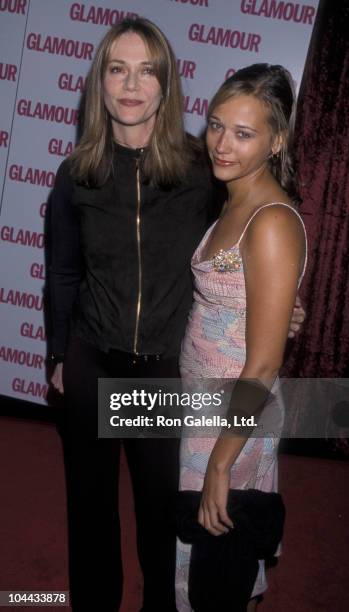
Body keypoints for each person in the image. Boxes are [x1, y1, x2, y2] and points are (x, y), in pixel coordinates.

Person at [49, 16, 304, 611]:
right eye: (118, 69)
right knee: (88, 509)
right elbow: (62, 272)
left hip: (165, 372)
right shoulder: (75, 175)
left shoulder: (203, 169)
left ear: (167, 86)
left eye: (147, 71)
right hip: (93, 361)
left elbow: (256, 249)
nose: (131, 85)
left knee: (165, 516)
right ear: (100, 83)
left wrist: (286, 305)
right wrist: (59, 354)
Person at [175, 64, 307, 612]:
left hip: (234, 420)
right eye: (216, 125)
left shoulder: (271, 220)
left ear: (277, 140)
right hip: (205, 407)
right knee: (209, 556)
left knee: (218, 566)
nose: (222, 145)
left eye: (244, 133)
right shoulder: (234, 193)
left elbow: (261, 367)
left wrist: (223, 462)